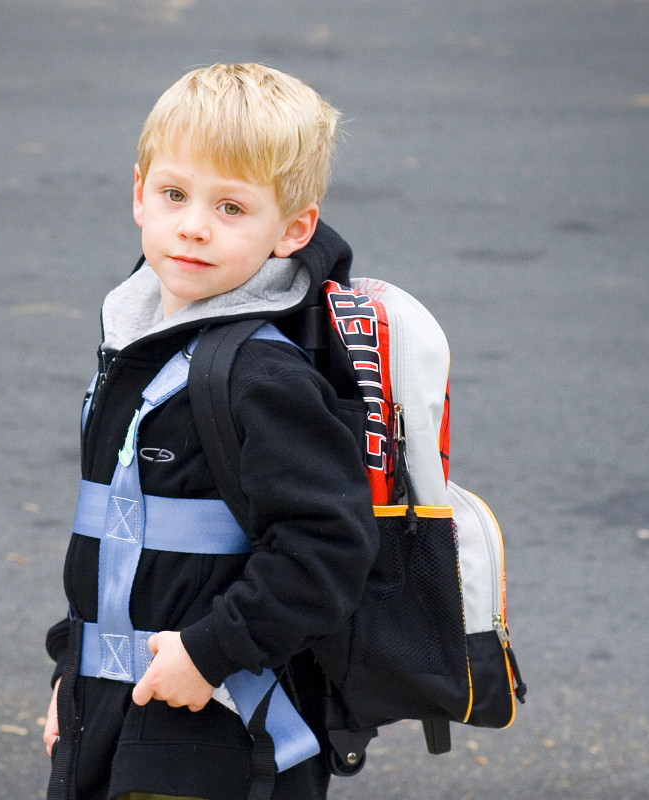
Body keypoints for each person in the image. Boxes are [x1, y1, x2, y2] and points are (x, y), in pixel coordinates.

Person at [43, 63, 380, 800]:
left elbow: (328, 545)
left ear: (293, 228)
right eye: (174, 195)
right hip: (111, 706)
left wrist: (210, 652)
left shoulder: (265, 376)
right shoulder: (137, 343)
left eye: (231, 208)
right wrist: (74, 672)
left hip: (217, 725)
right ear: (139, 194)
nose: (193, 224)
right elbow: (112, 544)